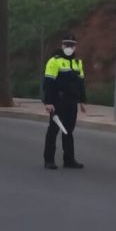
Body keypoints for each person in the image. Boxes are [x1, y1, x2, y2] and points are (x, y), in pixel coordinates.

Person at [42, 34, 87, 169]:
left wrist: (82, 100)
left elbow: (81, 83)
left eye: (71, 45)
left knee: (68, 130)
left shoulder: (78, 62)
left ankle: (69, 160)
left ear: (75, 47)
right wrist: (48, 102)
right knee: (54, 130)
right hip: (58, 101)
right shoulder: (54, 61)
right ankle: (49, 160)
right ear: (62, 46)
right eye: (67, 45)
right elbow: (48, 83)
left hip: (71, 102)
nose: (69, 48)